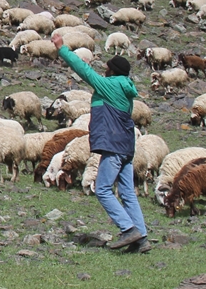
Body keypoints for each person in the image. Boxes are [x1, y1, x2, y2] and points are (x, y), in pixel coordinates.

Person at [51, 33, 149, 253]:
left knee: (103, 188)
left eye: (107, 68)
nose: (104, 70)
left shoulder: (108, 85)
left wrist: (62, 49)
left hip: (112, 145)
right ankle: (141, 238)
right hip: (126, 146)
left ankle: (128, 229)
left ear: (112, 71)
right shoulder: (127, 89)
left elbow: (84, 70)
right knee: (127, 192)